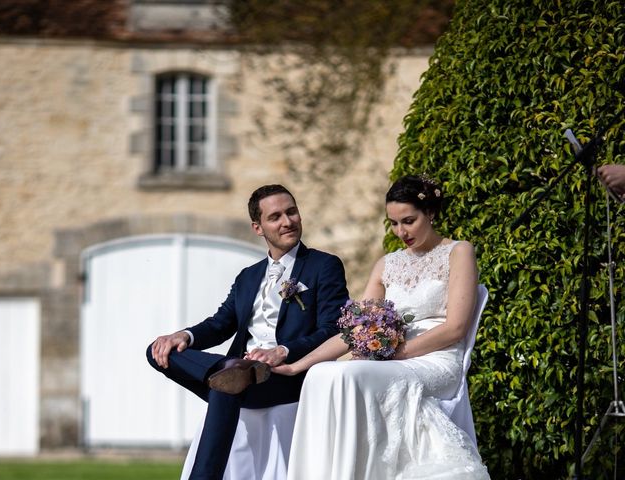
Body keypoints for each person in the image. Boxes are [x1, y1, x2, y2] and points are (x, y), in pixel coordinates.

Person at [273, 175, 490, 479]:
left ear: (430, 213)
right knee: (321, 373)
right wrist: (300, 365)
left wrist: (397, 354)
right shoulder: (386, 264)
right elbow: (353, 331)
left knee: (353, 375)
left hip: (436, 359)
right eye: (393, 223)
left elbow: (455, 329)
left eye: (409, 221)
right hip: (392, 357)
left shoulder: (458, 252)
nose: (401, 231)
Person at [146, 184, 349, 480]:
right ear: (258, 227)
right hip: (246, 370)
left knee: (228, 386)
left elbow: (333, 328)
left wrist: (283, 351)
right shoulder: (248, 276)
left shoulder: (324, 266)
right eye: (276, 216)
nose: (287, 221)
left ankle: (231, 375)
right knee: (157, 351)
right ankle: (231, 369)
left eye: (291, 212)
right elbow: (221, 323)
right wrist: (184, 336)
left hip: (287, 375)